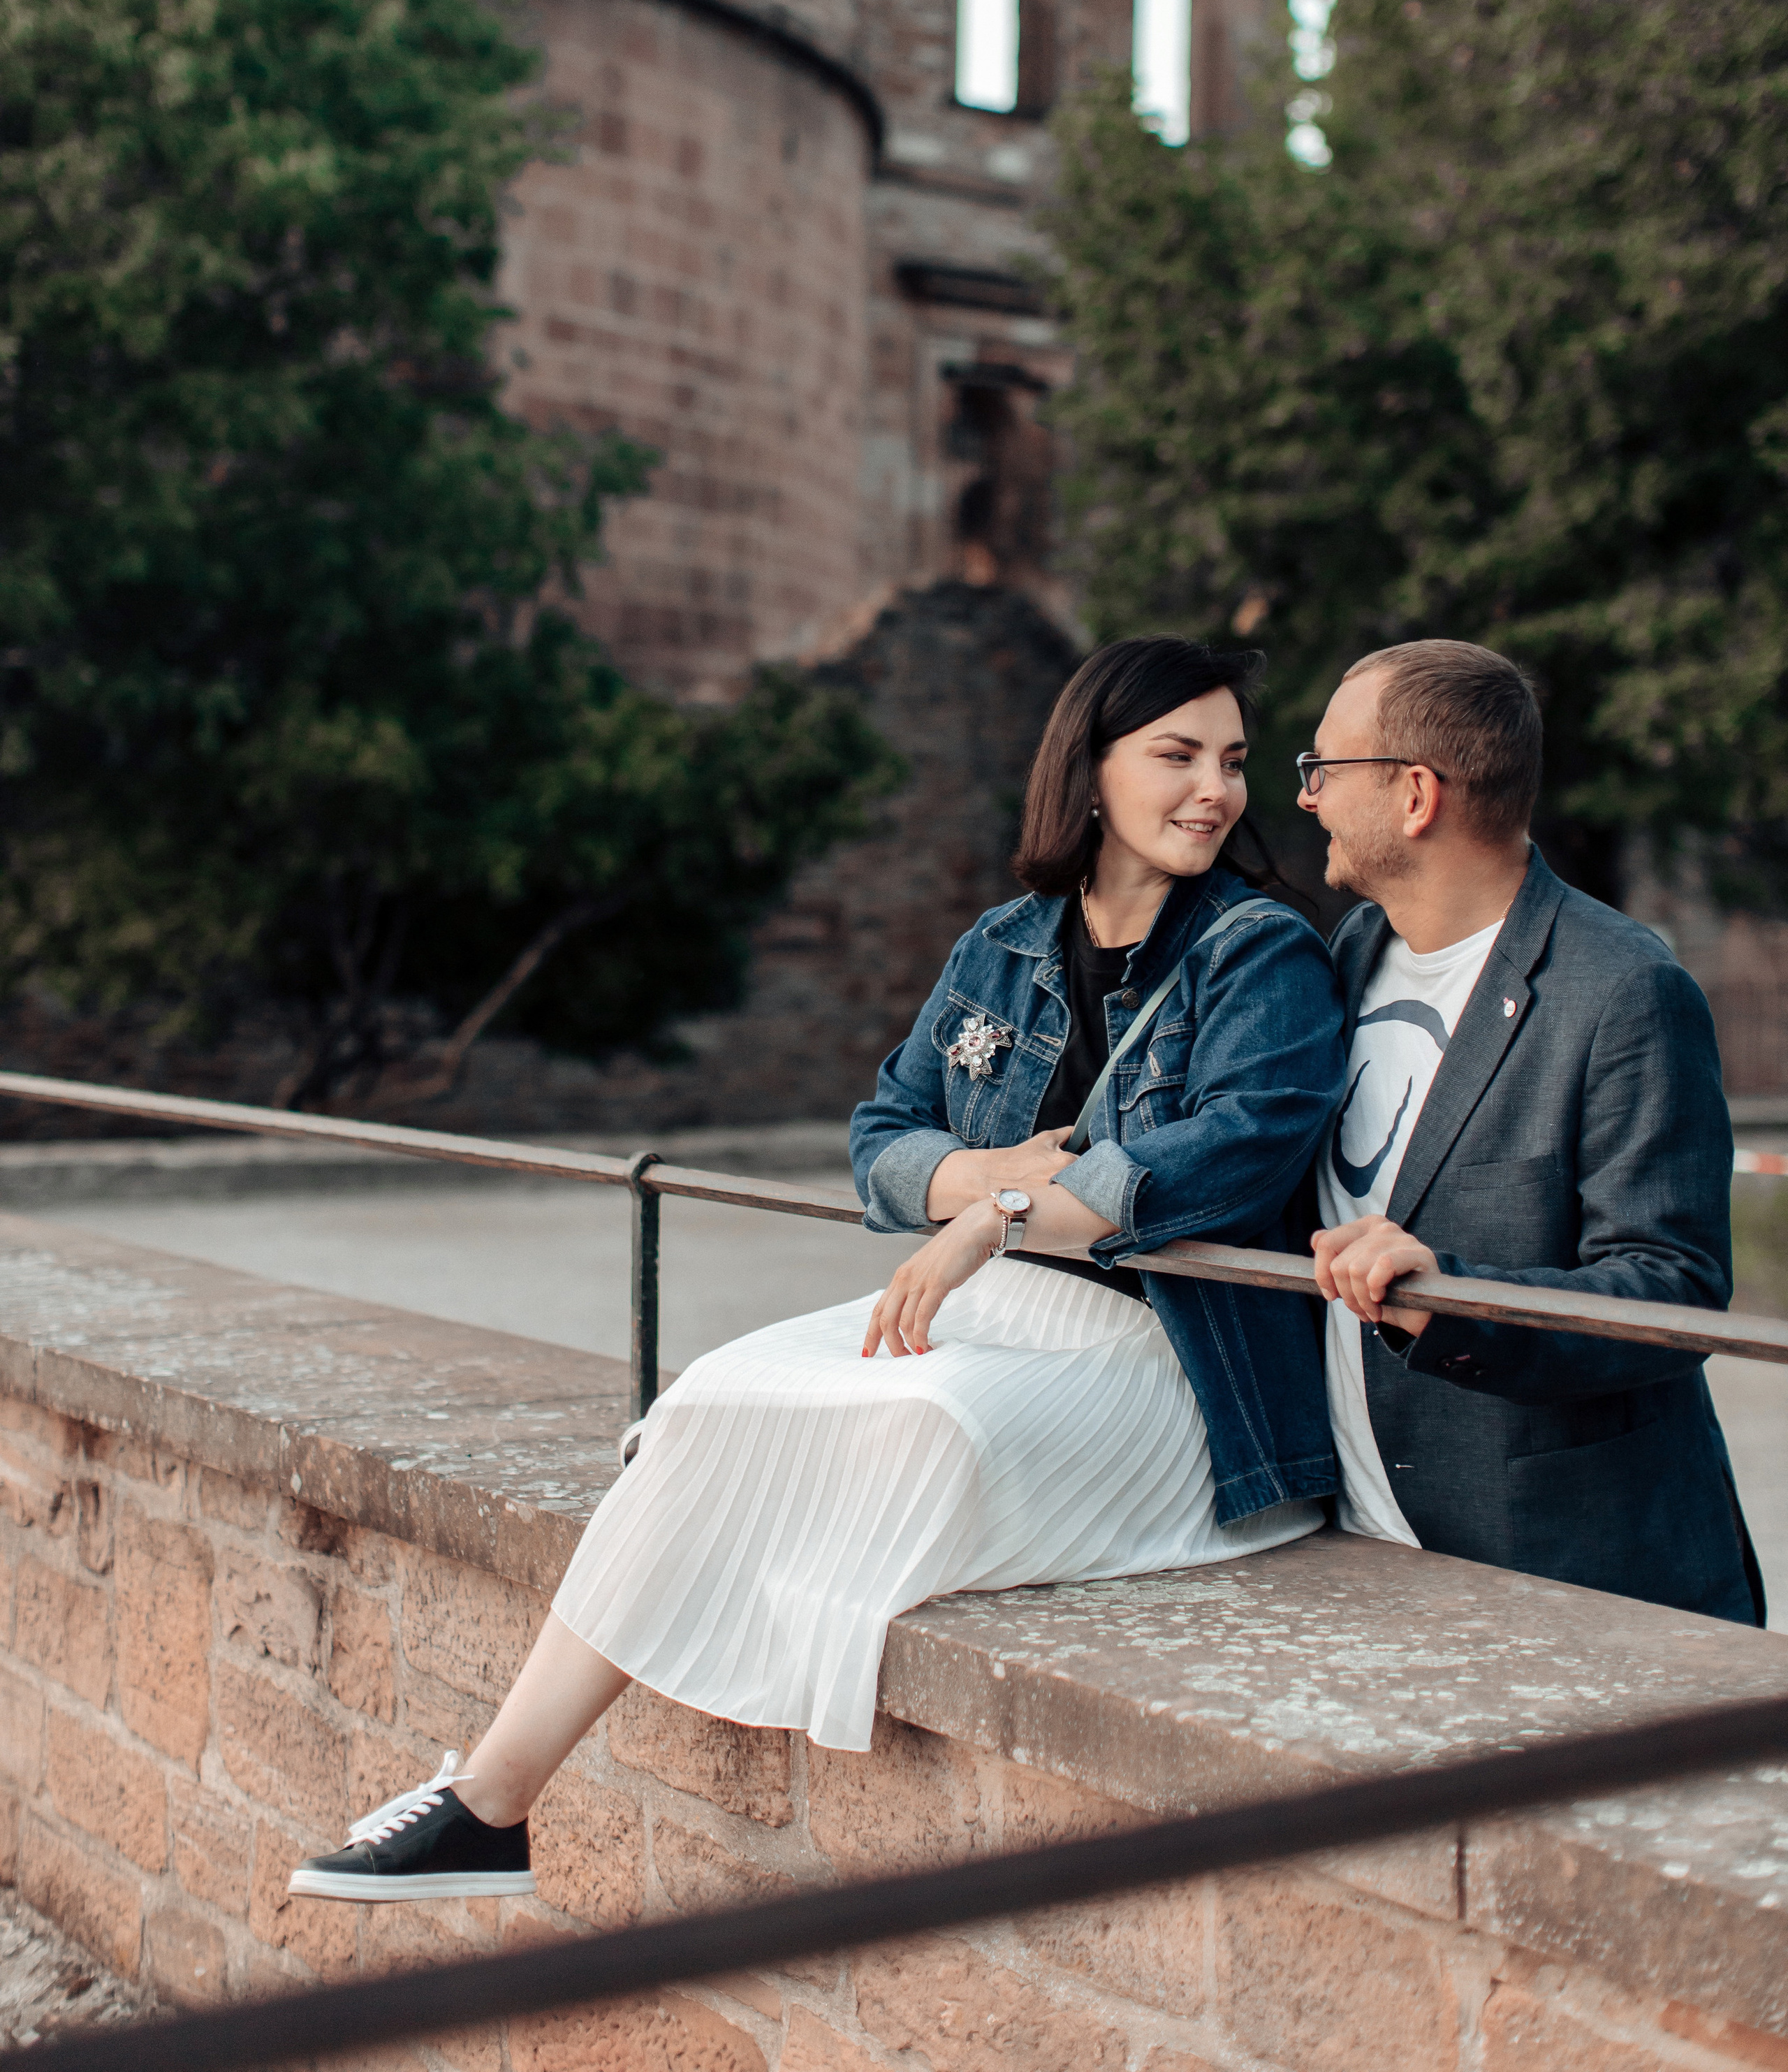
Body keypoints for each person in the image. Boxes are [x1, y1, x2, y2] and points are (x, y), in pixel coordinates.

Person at [287, 636, 1347, 1903]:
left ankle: (490, 1802)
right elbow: (882, 1142)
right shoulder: (1005, 945)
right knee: (710, 1398)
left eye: (1231, 762)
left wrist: (995, 1209)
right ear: (1091, 772)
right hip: (1000, 1307)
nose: (1214, 791)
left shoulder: (1259, 953)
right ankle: (488, 1805)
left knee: (923, 1419)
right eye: (1175, 756)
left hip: (1171, 1357)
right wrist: (991, 1187)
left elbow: (1223, 1162)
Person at [1303, 637, 1764, 1624]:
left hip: (1558, 1574)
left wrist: (1452, 1298)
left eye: (1324, 770)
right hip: (1360, 1555)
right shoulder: (1351, 953)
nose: (1307, 798)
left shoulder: (1625, 989)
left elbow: (1673, 1290)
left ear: (1415, 795)